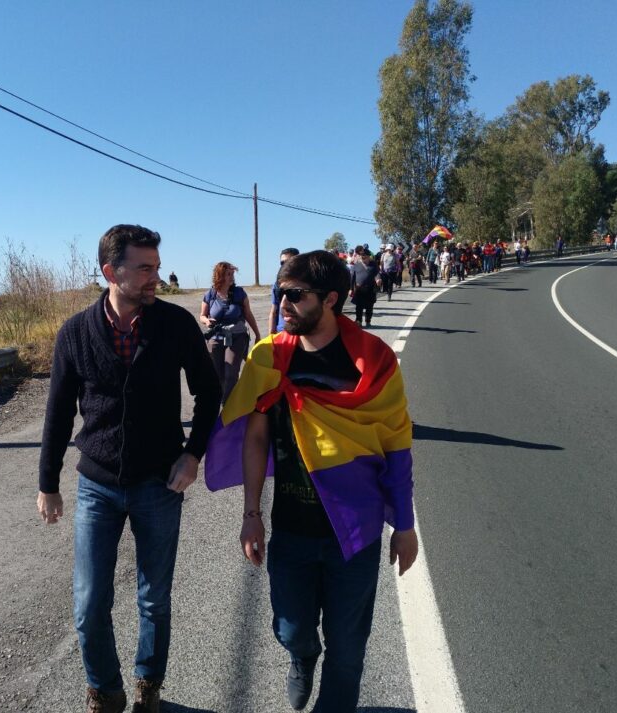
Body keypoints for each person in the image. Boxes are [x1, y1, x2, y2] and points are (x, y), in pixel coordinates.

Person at [204, 250, 418, 713]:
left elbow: (397, 447)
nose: (283, 302)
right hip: (293, 529)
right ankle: (302, 657)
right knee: (291, 629)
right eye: (281, 293)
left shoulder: (373, 362)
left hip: (355, 534)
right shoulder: (270, 357)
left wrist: (404, 524)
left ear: (332, 299)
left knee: (348, 649)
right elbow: (255, 436)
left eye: (296, 295)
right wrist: (250, 515)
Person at [37, 224, 221, 713]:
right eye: (144, 269)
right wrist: (47, 484)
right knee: (89, 603)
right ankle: (105, 692)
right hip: (97, 485)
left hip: (160, 482)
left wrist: (193, 453)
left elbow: (210, 393)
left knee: (153, 601)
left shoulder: (177, 325)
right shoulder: (76, 333)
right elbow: (58, 413)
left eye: (156, 268)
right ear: (110, 272)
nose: (154, 279)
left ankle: (148, 688)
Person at [200, 262, 262, 404]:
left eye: (232, 274)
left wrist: (257, 334)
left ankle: (229, 405)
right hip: (216, 338)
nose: (232, 277)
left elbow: (248, 314)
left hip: (237, 337)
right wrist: (207, 321)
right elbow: (202, 315)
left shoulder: (239, 293)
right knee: (217, 374)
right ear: (220, 275)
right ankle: (219, 400)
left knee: (231, 373)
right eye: (228, 274)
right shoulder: (210, 294)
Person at [270, 248, 301, 334]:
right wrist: (271, 336)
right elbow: (273, 312)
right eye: (282, 263)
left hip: (301, 332)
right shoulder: (277, 286)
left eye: (288, 262)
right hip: (282, 332)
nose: (284, 265)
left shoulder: (308, 284)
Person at [349, 249, 379, 327]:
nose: (363, 257)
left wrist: (378, 279)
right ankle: (358, 321)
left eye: (364, 255)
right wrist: (351, 289)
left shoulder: (373, 265)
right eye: (362, 255)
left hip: (370, 289)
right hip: (359, 289)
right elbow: (352, 277)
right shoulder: (356, 265)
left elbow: (377, 274)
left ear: (369, 256)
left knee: (369, 306)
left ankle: (368, 321)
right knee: (359, 306)